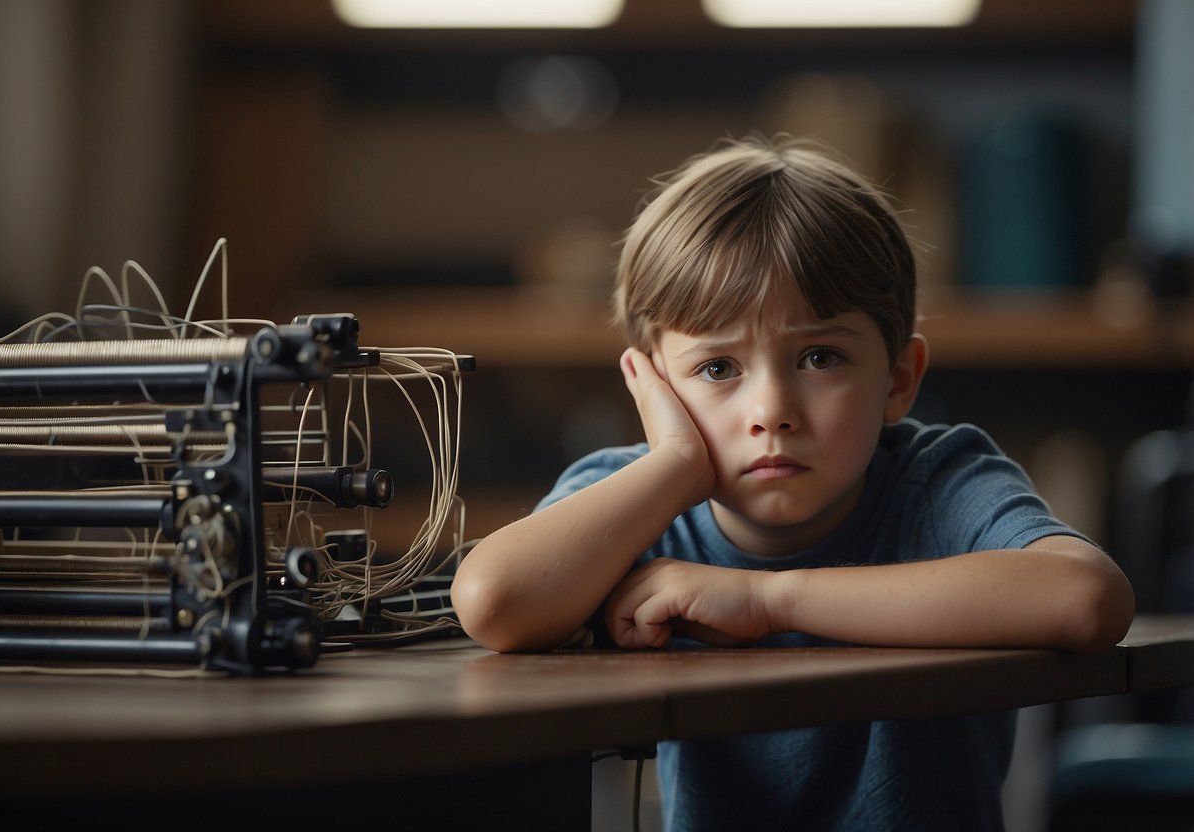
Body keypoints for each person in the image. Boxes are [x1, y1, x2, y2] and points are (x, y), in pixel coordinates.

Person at [450, 133, 1135, 831]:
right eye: (717, 368)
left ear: (898, 379)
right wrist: (674, 466)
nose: (771, 411)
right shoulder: (638, 499)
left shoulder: (935, 480)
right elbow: (492, 602)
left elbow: (1085, 599)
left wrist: (767, 599)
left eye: (819, 356)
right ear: (652, 385)